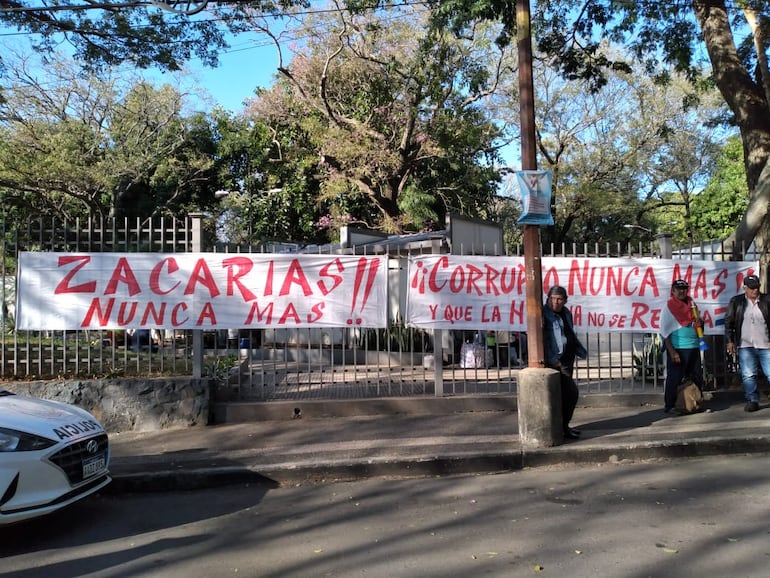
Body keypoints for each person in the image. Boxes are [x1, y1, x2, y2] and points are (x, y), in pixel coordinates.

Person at [543, 285, 587, 439]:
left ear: (565, 300)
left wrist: (578, 349)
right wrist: (553, 360)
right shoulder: (544, 314)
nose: (556, 303)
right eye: (553, 299)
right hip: (558, 361)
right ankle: (562, 427)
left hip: (568, 359)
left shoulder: (566, 313)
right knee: (572, 393)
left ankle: (564, 427)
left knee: (565, 396)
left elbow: (569, 333)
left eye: (559, 299)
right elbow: (543, 339)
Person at [725, 274, 770, 412]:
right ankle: (752, 400)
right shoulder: (736, 302)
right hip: (745, 345)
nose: (754, 291)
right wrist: (730, 341)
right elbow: (729, 322)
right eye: (751, 288)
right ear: (745, 288)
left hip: (765, 344)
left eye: (756, 287)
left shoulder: (766, 300)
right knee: (748, 374)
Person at [660, 279, 706, 414]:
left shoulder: (692, 304)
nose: (682, 291)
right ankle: (670, 406)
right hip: (678, 348)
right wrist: (672, 351)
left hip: (694, 346)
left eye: (684, 288)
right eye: (678, 289)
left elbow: (696, 324)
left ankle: (696, 404)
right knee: (675, 378)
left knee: (696, 376)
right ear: (673, 291)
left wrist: (700, 323)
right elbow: (665, 332)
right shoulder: (669, 308)